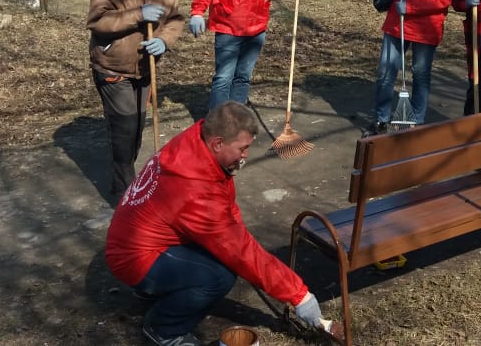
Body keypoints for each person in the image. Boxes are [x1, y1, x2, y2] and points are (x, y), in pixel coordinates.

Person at [105, 101, 330, 346]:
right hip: (134, 258)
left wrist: (234, 228)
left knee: (219, 255)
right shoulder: (194, 189)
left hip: (140, 238)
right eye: (242, 148)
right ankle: (164, 329)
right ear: (218, 143)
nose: (246, 155)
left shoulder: (196, 140)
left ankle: (158, 289)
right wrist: (300, 296)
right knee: (219, 276)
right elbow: (240, 251)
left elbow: (223, 205)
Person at [86, 0, 185, 203]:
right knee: (124, 129)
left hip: (145, 68)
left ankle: (130, 182)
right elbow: (97, 21)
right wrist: (138, 15)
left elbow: (176, 19)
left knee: (137, 128)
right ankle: (123, 196)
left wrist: (164, 40)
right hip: (112, 65)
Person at [368, 0, 455, 133]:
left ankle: (415, 120)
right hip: (397, 24)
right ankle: (381, 119)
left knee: (420, 74)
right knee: (386, 72)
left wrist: (413, 7)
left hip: (426, 28)